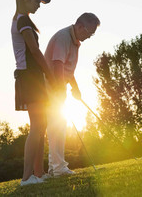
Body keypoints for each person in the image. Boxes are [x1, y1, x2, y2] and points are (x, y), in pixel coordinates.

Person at [44, 12, 100, 177]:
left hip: (57, 85)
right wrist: (61, 89)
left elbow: (68, 67)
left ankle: (55, 168)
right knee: (58, 125)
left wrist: (75, 88)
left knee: (57, 126)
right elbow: (57, 64)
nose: (90, 36)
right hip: (50, 86)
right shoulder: (63, 37)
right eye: (89, 32)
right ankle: (59, 168)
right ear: (81, 27)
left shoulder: (74, 41)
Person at [11, 0, 55, 186]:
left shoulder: (24, 20)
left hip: (33, 77)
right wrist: (50, 75)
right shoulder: (22, 21)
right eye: (37, 0)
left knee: (41, 124)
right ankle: (26, 178)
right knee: (37, 126)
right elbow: (35, 52)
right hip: (29, 77)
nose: (39, 4)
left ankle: (38, 172)